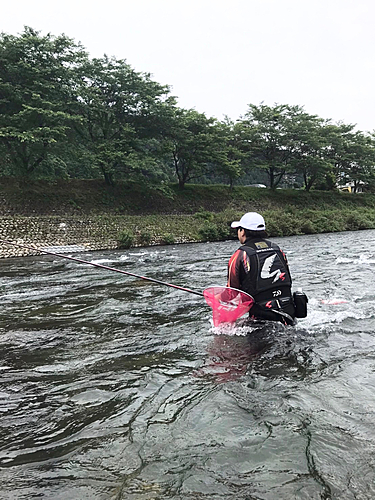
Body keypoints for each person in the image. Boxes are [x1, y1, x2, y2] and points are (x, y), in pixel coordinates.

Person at [227, 212, 295, 325]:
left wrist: (217, 297)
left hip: (261, 317)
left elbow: (232, 293)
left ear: (243, 231)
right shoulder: (277, 249)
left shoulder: (239, 255)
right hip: (288, 312)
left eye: (238, 229)